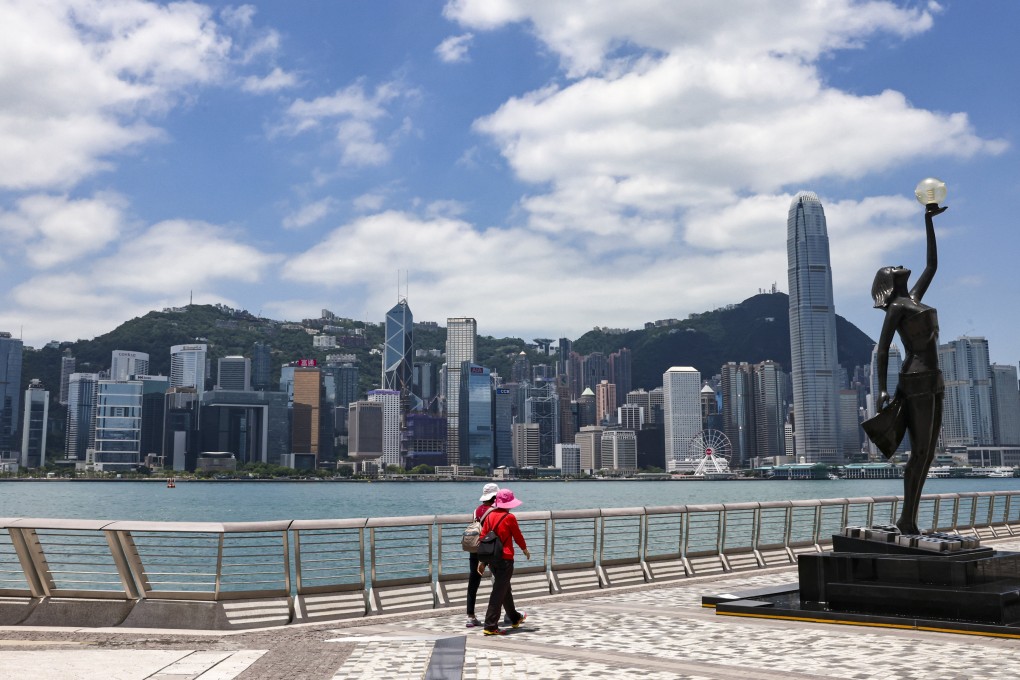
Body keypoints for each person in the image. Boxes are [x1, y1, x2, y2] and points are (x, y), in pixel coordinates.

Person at [865, 201, 947, 535]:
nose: (901, 264)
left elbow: (932, 264)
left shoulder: (913, 297)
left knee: (927, 453)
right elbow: (883, 349)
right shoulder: (896, 308)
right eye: (894, 265)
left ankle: (909, 518)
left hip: (935, 378)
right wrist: (882, 388)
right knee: (919, 452)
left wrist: (928, 222)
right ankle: (907, 519)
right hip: (915, 379)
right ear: (888, 278)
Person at [478, 488, 530, 635]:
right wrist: (524, 549)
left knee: (504, 588)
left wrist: (482, 561)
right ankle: (490, 625)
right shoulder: (510, 518)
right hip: (505, 558)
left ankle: (514, 618)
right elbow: (517, 535)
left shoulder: (489, 516)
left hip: (492, 558)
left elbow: (483, 537)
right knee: (498, 592)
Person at [465, 482, 499, 627]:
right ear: (495, 496)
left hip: (475, 548)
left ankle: (470, 616)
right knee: (501, 582)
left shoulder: (476, 510)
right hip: (490, 550)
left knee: (473, 582)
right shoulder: (494, 511)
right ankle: (505, 615)